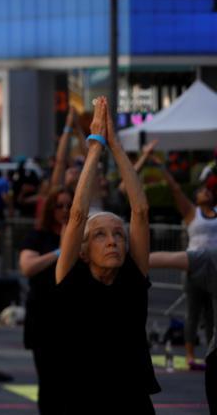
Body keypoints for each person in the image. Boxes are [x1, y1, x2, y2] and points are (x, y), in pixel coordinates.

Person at [53, 96, 158, 413]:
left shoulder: (133, 278)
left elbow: (139, 211)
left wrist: (116, 146)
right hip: (84, 400)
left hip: (133, 400)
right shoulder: (71, 279)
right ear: (83, 252)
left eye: (118, 235)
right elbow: (76, 216)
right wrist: (96, 145)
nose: (113, 241)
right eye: (100, 235)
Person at [155, 141, 217, 368]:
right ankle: (190, 356)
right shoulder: (192, 213)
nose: (204, 192)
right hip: (192, 264)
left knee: (212, 315)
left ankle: (211, 354)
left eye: (207, 190)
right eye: (201, 191)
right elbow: (175, 189)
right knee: (193, 311)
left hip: (214, 267)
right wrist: (160, 166)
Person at [19, 184, 71, 414]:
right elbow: (27, 267)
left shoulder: (82, 238)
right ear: (51, 208)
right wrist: (59, 252)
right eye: (60, 206)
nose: (65, 210)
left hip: (72, 317)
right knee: (48, 382)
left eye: (69, 205)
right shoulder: (38, 236)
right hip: (43, 317)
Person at [149, 248, 217, 413]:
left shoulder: (210, 257)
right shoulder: (211, 257)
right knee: (194, 317)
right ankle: (190, 355)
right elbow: (166, 258)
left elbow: (165, 259)